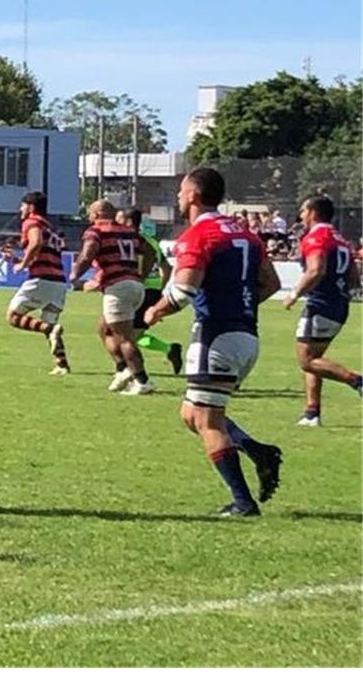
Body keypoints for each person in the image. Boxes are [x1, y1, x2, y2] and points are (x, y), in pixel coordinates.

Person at [143, 168, 282, 517]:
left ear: (193, 194)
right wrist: (238, 305)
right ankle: (257, 450)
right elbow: (271, 284)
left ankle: (243, 502)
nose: (177, 196)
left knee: (208, 422)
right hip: (246, 334)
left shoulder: (199, 234)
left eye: (180, 190)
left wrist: (154, 311)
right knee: (191, 414)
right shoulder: (245, 234)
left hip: (215, 336)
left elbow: (184, 289)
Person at [282, 195, 362, 427]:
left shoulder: (316, 236)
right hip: (340, 305)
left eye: (303, 211)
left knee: (307, 361)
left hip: (320, 305)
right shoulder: (341, 239)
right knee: (315, 358)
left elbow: (316, 270)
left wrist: (294, 294)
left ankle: (357, 381)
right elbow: (354, 279)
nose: (301, 216)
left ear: (314, 213)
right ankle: (311, 412)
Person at [72, 200, 154, 395]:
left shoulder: (96, 231)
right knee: (104, 328)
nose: (89, 217)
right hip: (135, 286)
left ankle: (142, 380)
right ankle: (122, 369)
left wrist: (74, 274)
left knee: (124, 338)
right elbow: (149, 251)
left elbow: (87, 254)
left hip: (118, 287)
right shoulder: (127, 231)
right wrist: (141, 275)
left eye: (90, 213)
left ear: (99, 213)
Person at [0, 191, 70, 374]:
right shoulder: (51, 227)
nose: (20, 209)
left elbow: (36, 242)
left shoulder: (32, 222)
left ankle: (52, 330)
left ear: (30, 207)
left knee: (13, 317)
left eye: (22, 205)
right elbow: (43, 253)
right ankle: (61, 364)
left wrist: (22, 264)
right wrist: (16, 260)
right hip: (59, 282)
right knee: (50, 325)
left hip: (42, 279)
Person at [117, 208, 183, 375]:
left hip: (139, 291)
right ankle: (169, 350)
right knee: (133, 335)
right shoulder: (152, 242)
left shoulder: (132, 242)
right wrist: (160, 290)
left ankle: (131, 371)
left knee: (127, 335)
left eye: (119, 220)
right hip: (152, 291)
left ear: (128, 222)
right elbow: (167, 268)